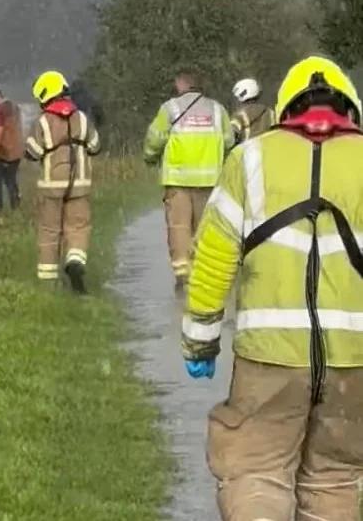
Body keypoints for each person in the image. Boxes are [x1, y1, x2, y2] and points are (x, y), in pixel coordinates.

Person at [181, 56, 363, 520]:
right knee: (335, 480)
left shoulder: (250, 159)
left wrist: (200, 342)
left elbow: (213, 258)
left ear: (285, 108)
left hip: (269, 359)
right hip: (354, 362)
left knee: (255, 474)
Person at [143, 70, 234, 292]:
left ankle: (183, 274)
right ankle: (205, 274)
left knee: (179, 227)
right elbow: (230, 140)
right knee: (205, 229)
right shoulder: (217, 109)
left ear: (180, 83)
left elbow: (155, 139)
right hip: (210, 181)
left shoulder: (170, 108)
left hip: (178, 181)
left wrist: (150, 156)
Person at [25, 71, 101, 294]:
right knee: (78, 228)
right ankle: (75, 261)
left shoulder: (43, 121)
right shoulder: (82, 118)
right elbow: (96, 146)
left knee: (49, 231)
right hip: (79, 185)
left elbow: (32, 151)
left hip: (51, 187)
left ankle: (48, 284)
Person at [0, 86, 24, 211]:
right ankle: (16, 208)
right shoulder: (15, 108)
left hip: (1, 152)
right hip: (16, 152)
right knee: (11, 181)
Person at [230, 77, 275, 144]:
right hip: (270, 148)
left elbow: (230, 134)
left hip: (247, 151)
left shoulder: (240, 115)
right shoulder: (270, 112)